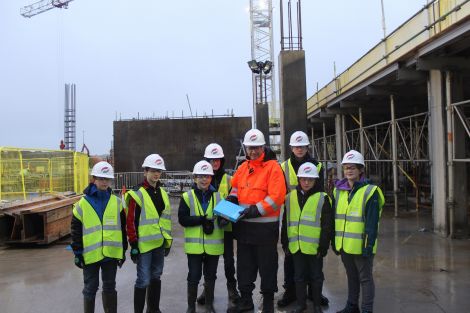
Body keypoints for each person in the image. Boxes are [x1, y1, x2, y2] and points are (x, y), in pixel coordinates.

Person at [226, 128, 286, 313]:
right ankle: (246, 302)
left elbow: (276, 197)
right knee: (244, 268)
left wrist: (255, 210)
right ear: (245, 148)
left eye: (257, 148)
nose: (253, 151)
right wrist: (230, 201)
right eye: (250, 148)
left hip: (265, 231)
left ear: (263, 147)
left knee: (267, 268)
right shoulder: (243, 167)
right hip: (244, 230)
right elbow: (235, 188)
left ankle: (268, 304)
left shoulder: (273, 168)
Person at [279, 130, 329, 308]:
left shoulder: (318, 166)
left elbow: (321, 193)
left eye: (302, 146)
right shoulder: (283, 166)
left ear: (307, 146)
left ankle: (314, 294)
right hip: (292, 212)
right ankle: (290, 292)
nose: (299, 149)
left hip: (310, 214)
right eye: (296, 146)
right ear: (291, 147)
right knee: (290, 260)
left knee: (314, 264)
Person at [71, 161, 127, 313]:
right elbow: (75, 232)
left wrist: (123, 250)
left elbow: (122, 229)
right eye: (101, 179)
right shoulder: (82, 204)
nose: (104, 182)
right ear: (93, 179)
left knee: (109, 287)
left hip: (110, 254)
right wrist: (77, 253)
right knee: (90, 288)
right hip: (90, 256)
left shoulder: (116, 203)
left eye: (107, 179)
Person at [333, 150, 385, 313]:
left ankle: (367, 310)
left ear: (361, 169)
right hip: (345, 245)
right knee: (352, 277)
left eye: (353, 167)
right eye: (346, 167)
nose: (349, 170)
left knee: (365, 279)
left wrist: (368, 246)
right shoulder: (338, 191)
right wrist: (335, 242)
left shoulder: (371, 192)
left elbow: (371, 223)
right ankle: (351, 306)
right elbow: (337, 218)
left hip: (362, 246)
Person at [125, 154, 173, 313]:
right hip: (143, 246)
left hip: (159, 244)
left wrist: (168, 242)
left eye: (159, 171)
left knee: (156, 277)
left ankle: (153, 309)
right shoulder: (136, 193)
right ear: (145, 171)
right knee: (143, 280)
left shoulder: (163, 193)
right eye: (153, 170)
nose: (156, 174)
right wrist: (133, 244)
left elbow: (166, 221)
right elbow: (130, 222)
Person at [197, 143, 241, 306]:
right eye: (211, 159)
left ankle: (232, 289)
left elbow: (235, 199)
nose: (214, 163)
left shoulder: (230, 179)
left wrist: (226, 217)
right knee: (209, 262)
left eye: (217, 160)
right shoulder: (202, 179)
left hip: (226, 227)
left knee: (229, 261)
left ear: (222, 161)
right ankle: (207, 291)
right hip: (209, 229)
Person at [178, 160, 224, 313]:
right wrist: (201, 219)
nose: (204, 179)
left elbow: (225, 220)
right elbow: (182, 219)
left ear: (211, 178)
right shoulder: (186, 197)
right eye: (201, 176)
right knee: (194, 276)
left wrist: (226, 220)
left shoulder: (219, 197)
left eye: (207, 176)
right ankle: (191, 307)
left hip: (213, 246)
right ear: (195, 178)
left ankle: (209, 305)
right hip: (194, 247)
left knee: (211, 276)